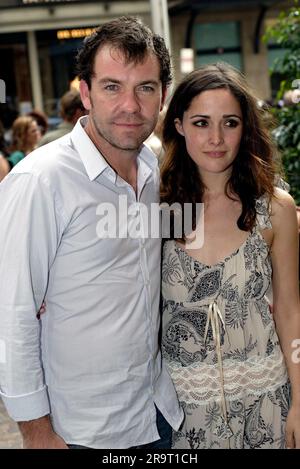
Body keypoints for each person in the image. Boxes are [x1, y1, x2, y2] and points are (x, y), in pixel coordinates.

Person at [0, 16, 183, 449]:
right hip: (80, 430)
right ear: (86, 93)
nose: (131, 106)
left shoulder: (155, 170)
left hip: (157, 412)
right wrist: (36, 431)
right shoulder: (41, 181)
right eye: (112, 86)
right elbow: (12, 315)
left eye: (145, 88)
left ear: (162, 96)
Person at [160, 63, 300, 449]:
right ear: (179, 125)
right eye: (202, 122)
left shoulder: (275, 209)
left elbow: (290, 310)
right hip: (181, 415)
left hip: (268, 402)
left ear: (246, 129)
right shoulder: (156, 209)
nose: (216, 138)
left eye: (230, 123)